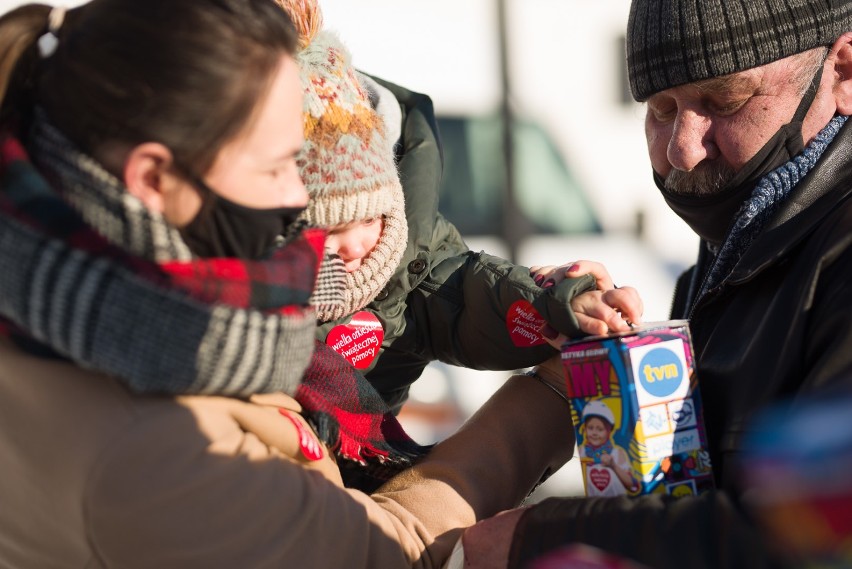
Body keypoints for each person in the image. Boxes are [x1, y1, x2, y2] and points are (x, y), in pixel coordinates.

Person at [0, 1, 579, 567]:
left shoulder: (79, 314)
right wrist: (558, 393)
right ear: (153, 178)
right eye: (276, 166)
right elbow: (392, 552)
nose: (298, 197)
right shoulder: (159, 442)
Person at [454, 0, 852, 567]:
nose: (682, 150)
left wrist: (538, 538)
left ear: (841, 72)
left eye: (723, 100)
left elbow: (816, 533)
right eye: (662, 108)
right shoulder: (727, 259)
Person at [276, 0, 644, 413]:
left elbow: (467, 294)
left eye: (367, 217)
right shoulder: (253, 285)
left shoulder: (408, 257)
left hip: (360, 462)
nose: (355, 244)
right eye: (327, 227)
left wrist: (558, 304)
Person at [577, 401, 638, 497]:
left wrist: (613, 465)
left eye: (600, 429)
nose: (594, 433)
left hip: (616, 507)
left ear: (609, 431)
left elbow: (632, 485)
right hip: (592, 508)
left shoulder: (617, 453)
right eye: (590, 428)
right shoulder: (581, 452)